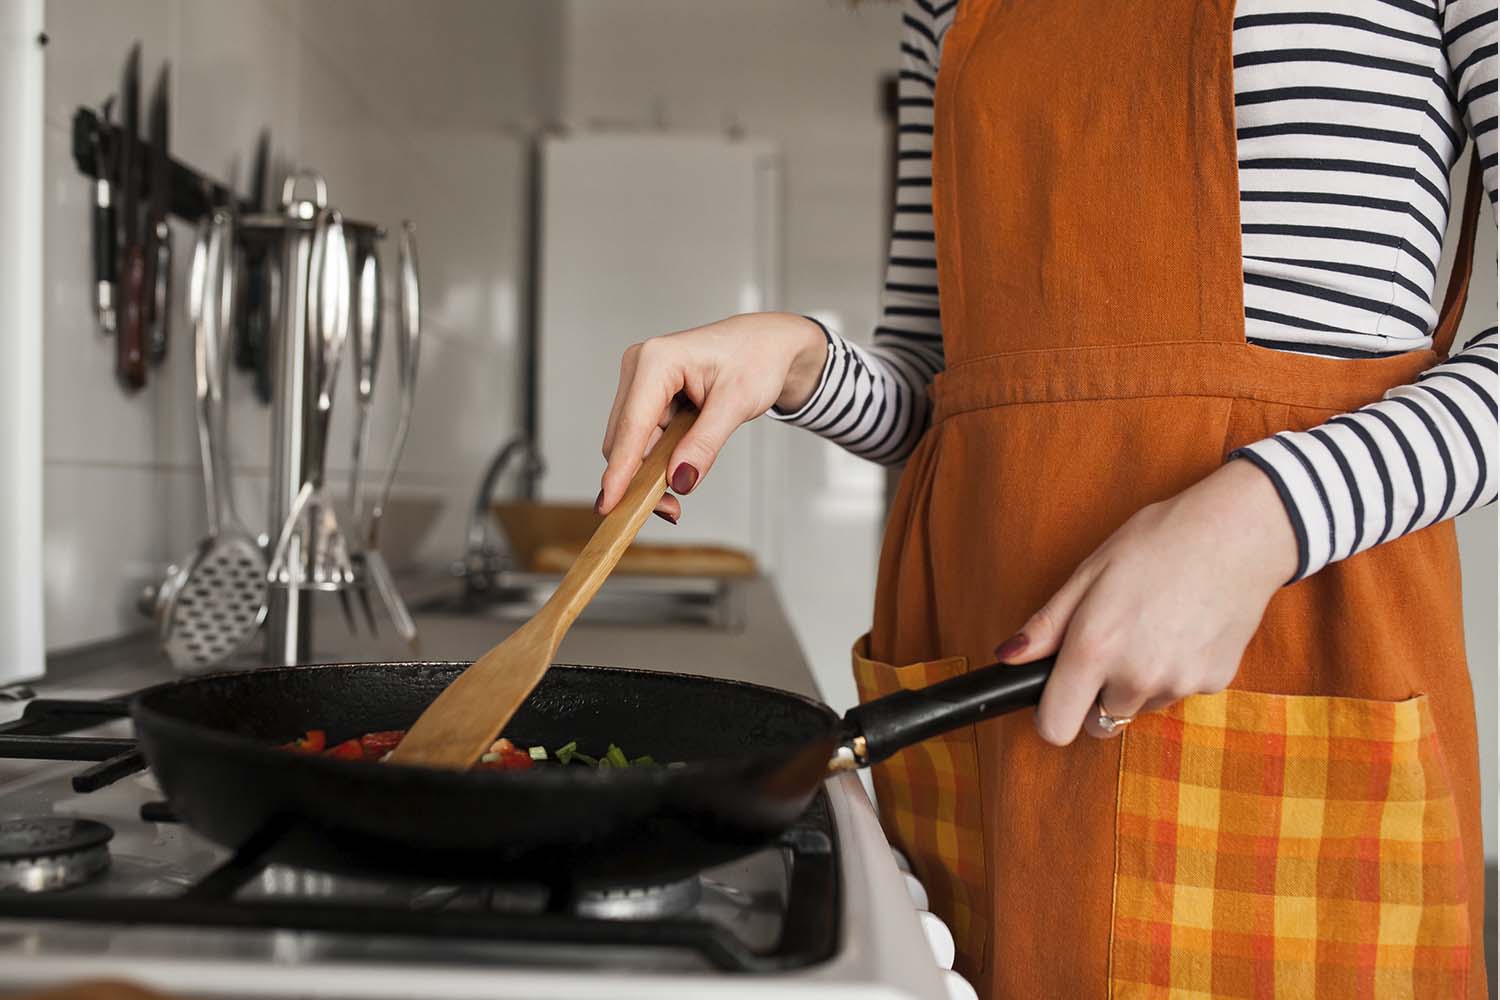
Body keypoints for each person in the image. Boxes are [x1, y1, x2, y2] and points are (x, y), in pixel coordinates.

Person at [595, 1, 1497, 995]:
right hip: (985, 694)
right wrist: (801, 362)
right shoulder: (939, 8)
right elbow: (946, 395)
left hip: (1300, 656)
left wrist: (1268, 514)